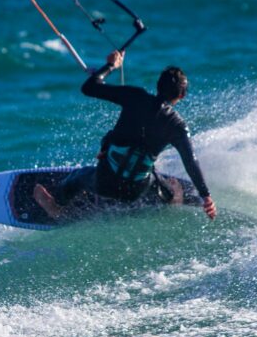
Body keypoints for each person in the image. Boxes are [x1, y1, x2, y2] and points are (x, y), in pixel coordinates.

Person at [34, 50, 217, 220]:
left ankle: (56, 206)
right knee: (152, 176)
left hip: (104, 182)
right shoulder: (177, 125)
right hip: (136, 191)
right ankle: (172, 198)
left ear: (158, 85)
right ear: (182, 95)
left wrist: (111, 66)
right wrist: (206, 196)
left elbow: (89, 87)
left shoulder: (135, 96)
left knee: (79, 176)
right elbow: (190, 161)